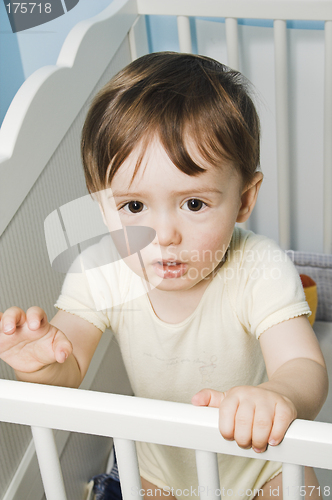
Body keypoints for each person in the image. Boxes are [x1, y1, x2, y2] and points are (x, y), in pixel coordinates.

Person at [0, 52, 328, 500]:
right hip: (160, 469)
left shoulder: (260, 267)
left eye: (194, 204)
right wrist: (41, 364)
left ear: (245, 200)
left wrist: (279, 395)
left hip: (259, 464)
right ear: (102, 208)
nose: (165, 236)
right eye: (134, 207)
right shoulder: (102, 270)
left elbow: (303, 365)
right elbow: (69, 365)